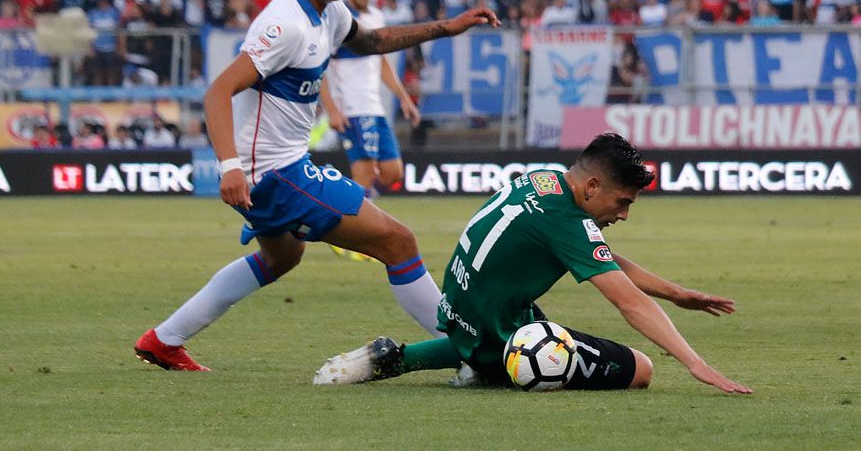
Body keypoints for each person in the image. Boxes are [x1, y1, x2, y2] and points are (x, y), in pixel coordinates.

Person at [134, 0, 499, 371]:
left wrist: (448, 27)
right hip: (272, 174)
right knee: (398, 242)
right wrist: (228, 166)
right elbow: (217, 92)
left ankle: (163, 340)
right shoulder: (283, 26)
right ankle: (471, 355)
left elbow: (371, 41)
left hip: (280, 166)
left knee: (281, 257)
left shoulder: (329, 11)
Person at [314, 133, 752, 395]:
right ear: (594, 185)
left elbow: (602, 257)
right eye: (622, 202)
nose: (622, 214)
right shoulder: (567, 222)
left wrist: (676, 293)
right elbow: (630, 303)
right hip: (496, 327)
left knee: (510, 339)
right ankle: (485, 367)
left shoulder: (545, 179)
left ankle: (395, 357)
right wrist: (696, 364)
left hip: (463, 310)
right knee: (641, 369)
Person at [319, 0, 421, 261]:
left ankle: (335, 222)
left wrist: (403, 98)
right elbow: (321, 67)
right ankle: (357, 240)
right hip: (351, 108)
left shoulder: (376, 16)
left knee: (392, 172)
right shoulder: (338, 17)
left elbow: (382, 63)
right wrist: (332, 109)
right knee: (363, 175)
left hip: (375, 108)